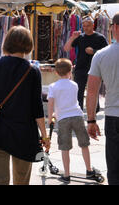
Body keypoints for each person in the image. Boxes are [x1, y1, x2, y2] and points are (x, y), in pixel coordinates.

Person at [0, 26, 49, 185]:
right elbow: (37, 108)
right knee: (21, 181)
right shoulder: (33, 70)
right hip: (24, 134)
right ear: (29, 45)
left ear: (7, 42)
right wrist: (44, 135)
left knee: (0, 181)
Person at [47, 58, 100, 183]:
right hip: (77, 116)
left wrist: (50, 117)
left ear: (56, 73)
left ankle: (66, 174)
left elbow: (51, 104)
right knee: (84, 144)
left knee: (65, 147)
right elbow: (70, 101)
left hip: (63, 119)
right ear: (71, 71)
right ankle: (89, 170)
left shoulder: (53, 86)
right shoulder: (74, 85)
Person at [86, 12, 119, 185]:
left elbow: (91, 91)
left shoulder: (101, 55)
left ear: (114, 28)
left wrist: (91, 120)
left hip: (114, 116)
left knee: (114, 168)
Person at [63, 16, 108, 111]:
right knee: (79, 92)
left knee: (93, 91)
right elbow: (66, 48)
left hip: (95, 68)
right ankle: (78, 112)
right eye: (84, 26)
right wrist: (72, 37)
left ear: (93, 26)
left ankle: (94, 112)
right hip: (80, 68)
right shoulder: (80, 37)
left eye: (88, 26)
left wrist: (94, 51)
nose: (85, 28)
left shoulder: (100, 38)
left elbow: (107, 53)